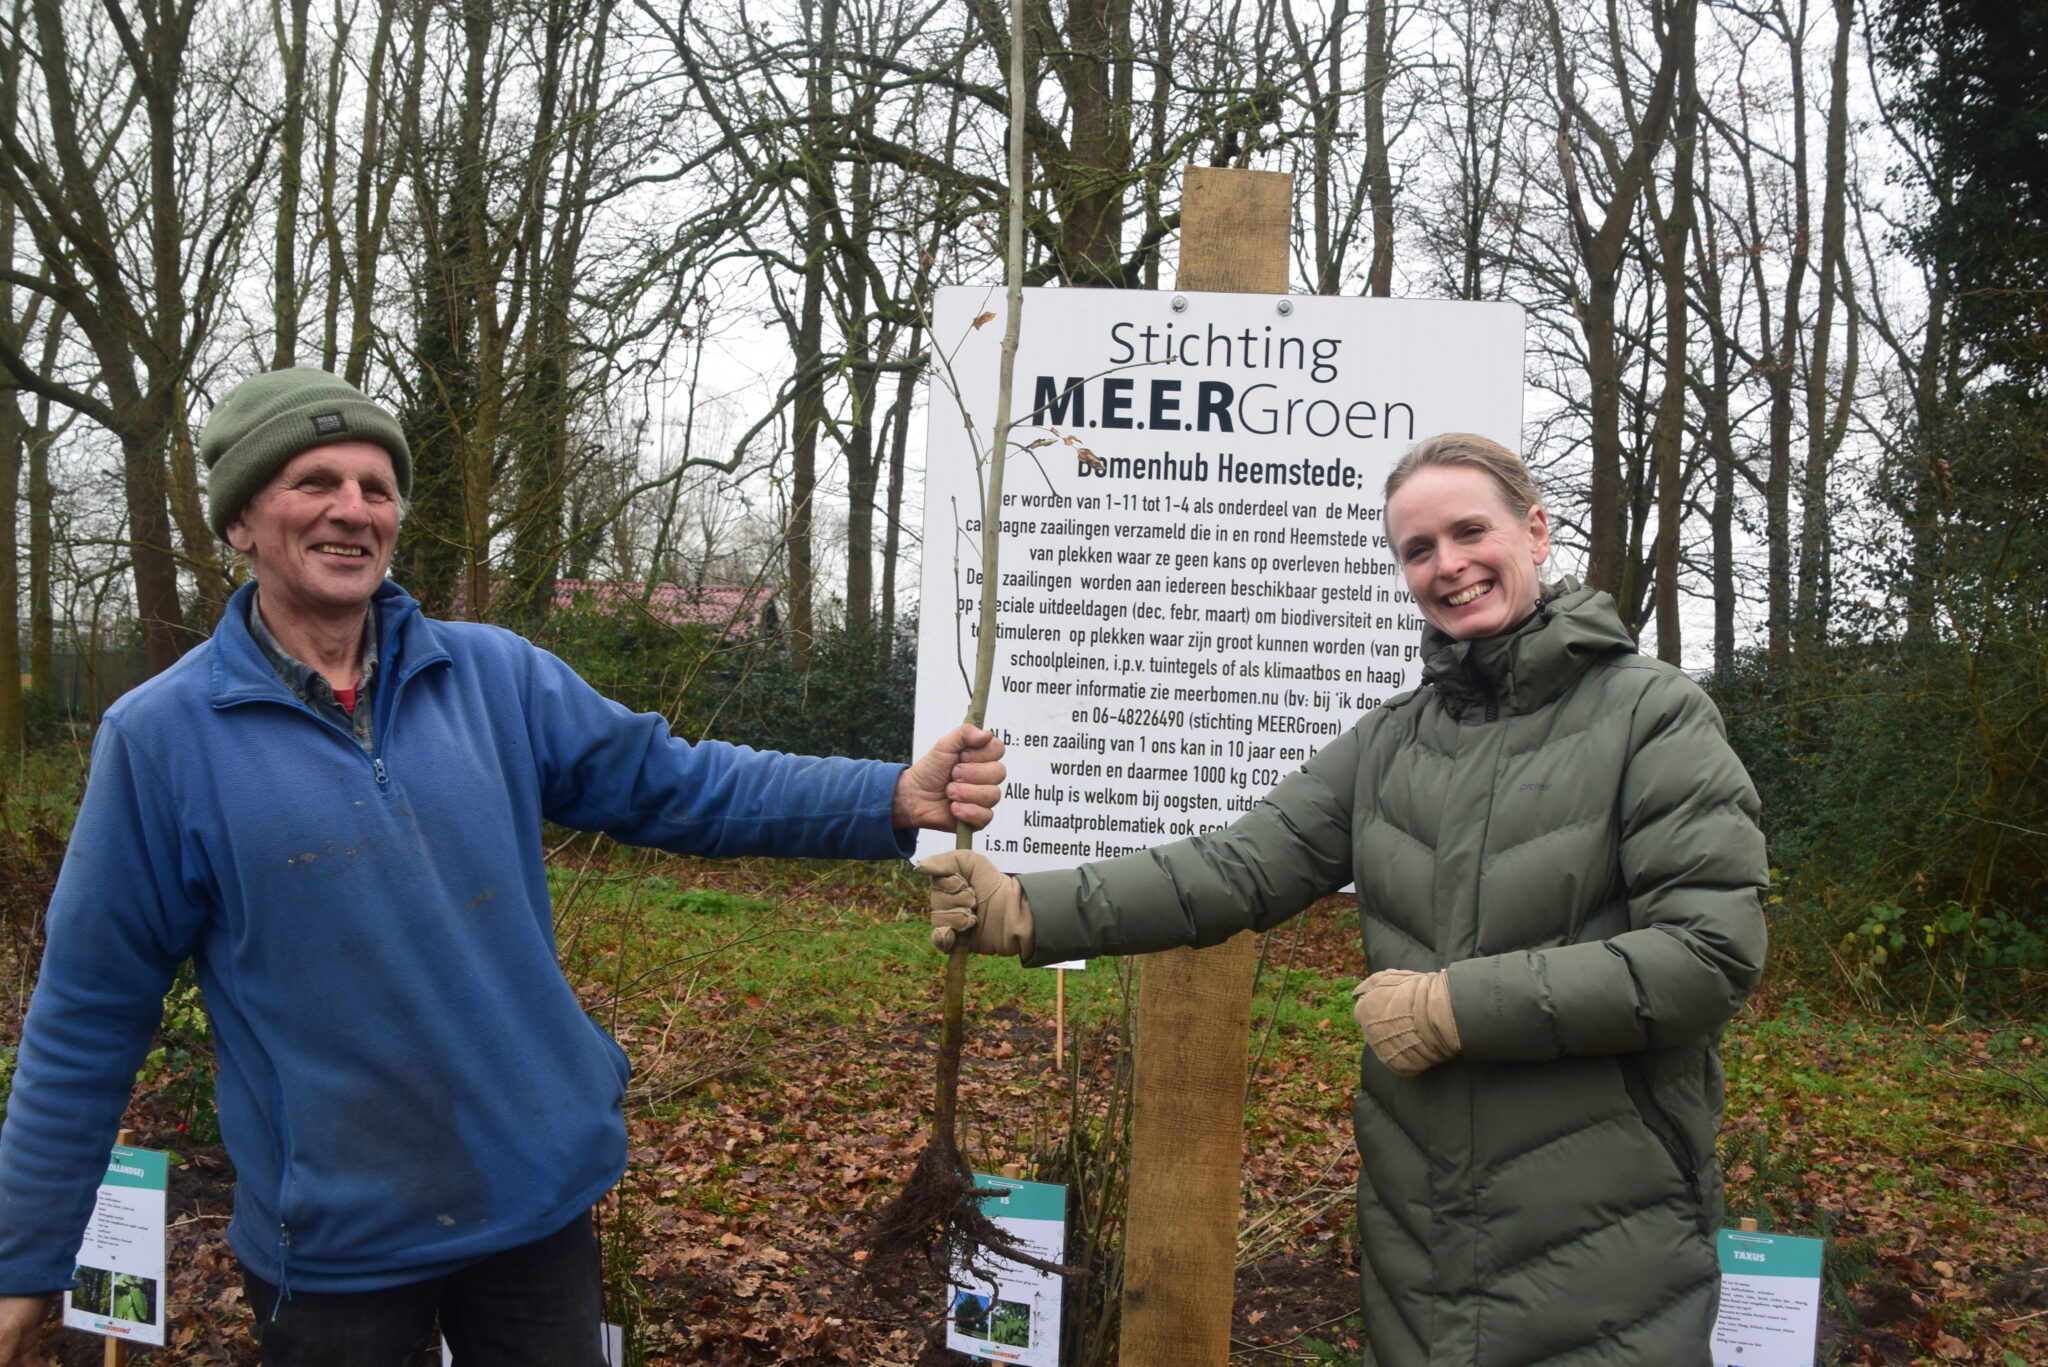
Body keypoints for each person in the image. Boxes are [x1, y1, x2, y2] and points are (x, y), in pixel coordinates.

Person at [0, 367, 1005, 1367]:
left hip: (532, 1203)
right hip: (338, 1245)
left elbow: (679, 783)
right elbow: (89, 1008)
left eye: (376, 486)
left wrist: (885, 798)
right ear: (241, 520)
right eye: (314, 481)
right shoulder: (163, 739)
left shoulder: (494, 677)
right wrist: (26, 1255)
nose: (352, 508)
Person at [922, 432, 1768, 1367]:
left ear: (1536, 531)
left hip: (1610, 1230)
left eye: (1469, 531)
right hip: (1420, 1234)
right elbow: (1240, 865)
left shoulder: (1652, 714)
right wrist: (1029, 909)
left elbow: (1708, 955)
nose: (1448, 565)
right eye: (1417, 549)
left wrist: (1457, 1006)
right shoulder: (1392, 743)